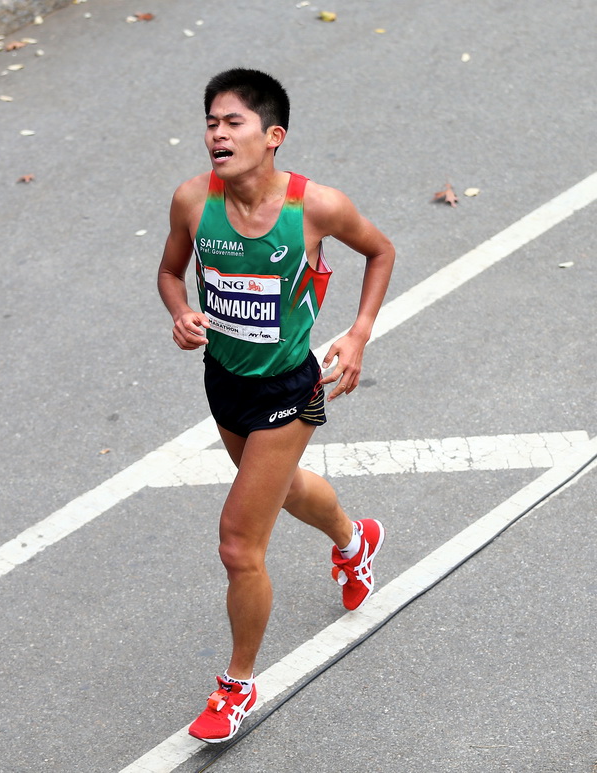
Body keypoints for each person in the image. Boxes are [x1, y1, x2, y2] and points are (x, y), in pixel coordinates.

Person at [157, 68, 395, 744]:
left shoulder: (314, 208)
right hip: (225, 380)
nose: (216, 134)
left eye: (232, 122)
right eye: (210, 121)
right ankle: (355, 542)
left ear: (273, 136)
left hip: (290, 388)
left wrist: (358, 332)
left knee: (239, 543)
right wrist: (180, 313)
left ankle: (237, 683)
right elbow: (170, 273)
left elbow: (381, 251)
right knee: (284, 490)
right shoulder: (191, 201)